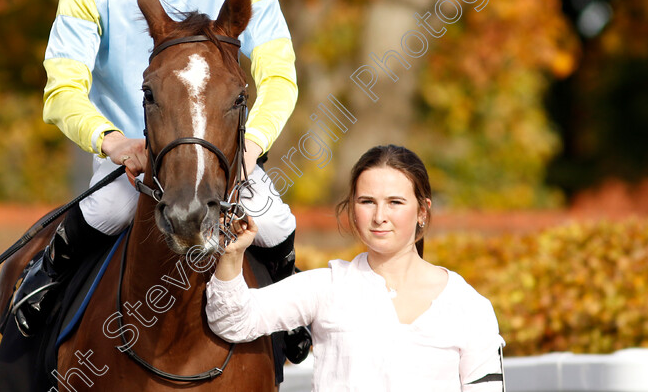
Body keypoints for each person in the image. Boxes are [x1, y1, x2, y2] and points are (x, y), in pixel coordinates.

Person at [11, 0, 311, 360]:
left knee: (275, 221)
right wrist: (114, 143)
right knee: (104, 209)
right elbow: (62, 91)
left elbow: (280, 76)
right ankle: (39, 295)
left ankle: (293, 318)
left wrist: (253, 143)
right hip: (133, 157)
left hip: (223, 155)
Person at [206, 145, 506, 391]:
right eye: (367, 202)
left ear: (422, 211)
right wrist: (232, 255)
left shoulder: (469, 306)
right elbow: (233, 320)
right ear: (352, 209)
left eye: (395, 202)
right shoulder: (327, 287)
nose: (379, 216)